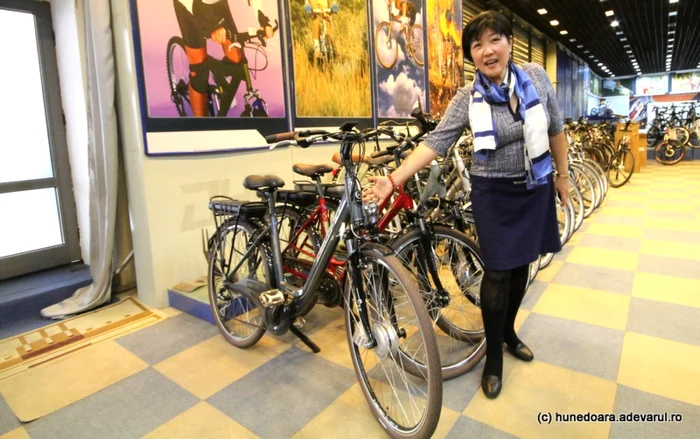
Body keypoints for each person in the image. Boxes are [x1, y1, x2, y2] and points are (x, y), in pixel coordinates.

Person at [363, 10, 569, 399]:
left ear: (509, 42)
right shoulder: (467, 96)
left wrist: (563, 176)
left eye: (495, 40)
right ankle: (493, 355)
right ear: (471, 55)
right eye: (477, 45)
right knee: (496, 273)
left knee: (522, 265)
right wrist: (394, 179)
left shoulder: (537, 78)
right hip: (494, 193)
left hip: (534, 185)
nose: (488, 50)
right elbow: (435, 142)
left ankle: (508, 331)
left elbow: (555, 128)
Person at [173, 0, 274, 117]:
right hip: (189, 7)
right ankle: (200, 125)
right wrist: (211, 27)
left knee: (237, 58)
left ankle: (219, 76)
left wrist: (263, 21)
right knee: (199, 72)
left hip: (217, 6)